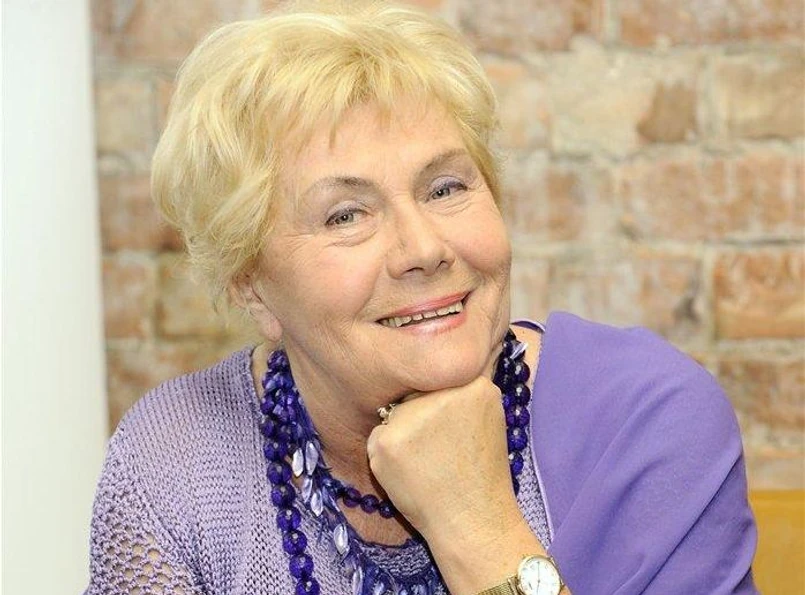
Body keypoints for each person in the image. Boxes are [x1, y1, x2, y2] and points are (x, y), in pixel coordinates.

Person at [85, 1, 758, 593]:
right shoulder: (175, 460)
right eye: (345, 215)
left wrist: (477, 524)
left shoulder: (647, 424)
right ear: (251, 284)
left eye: (445, 188)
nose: (423, 248)